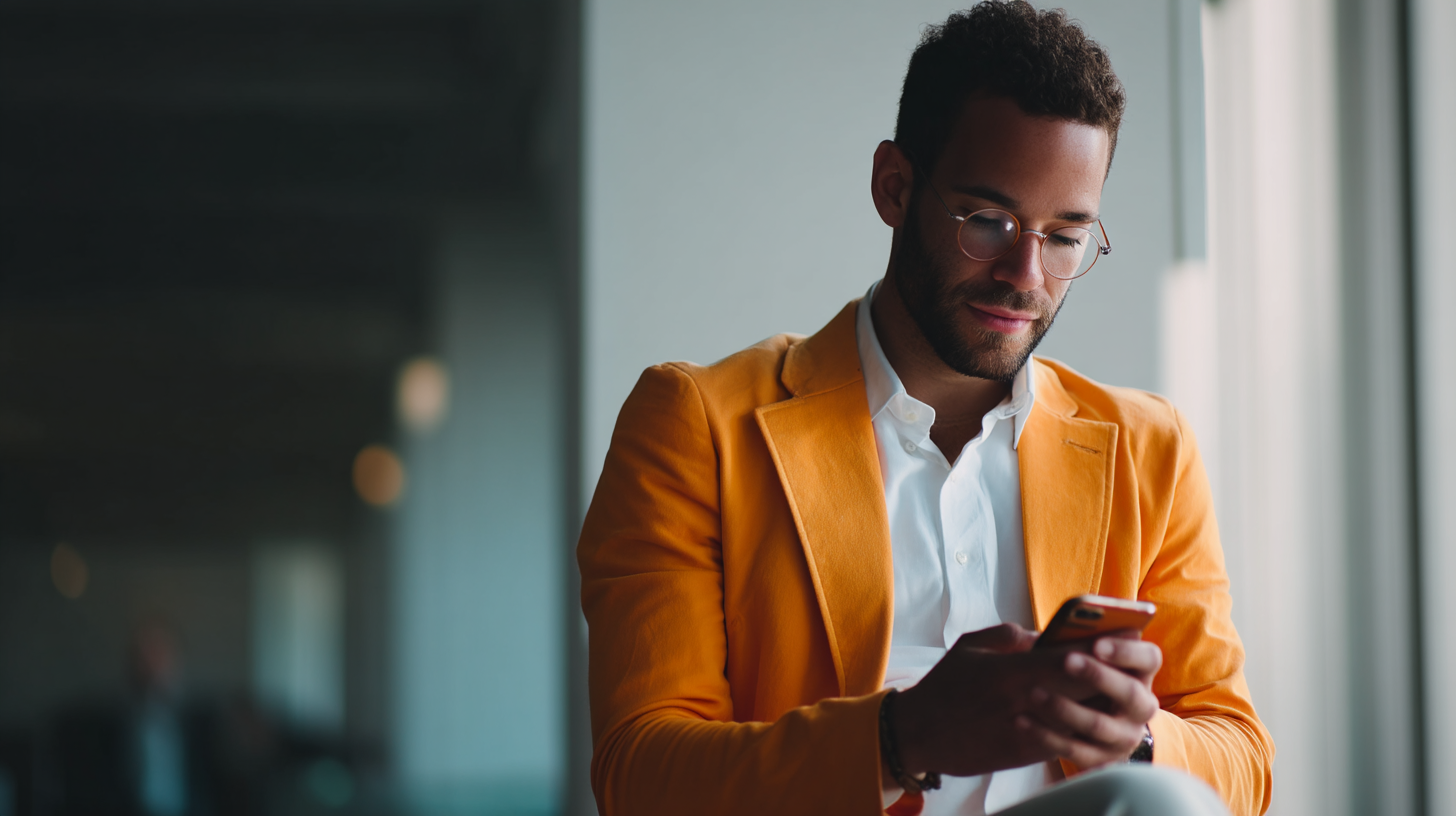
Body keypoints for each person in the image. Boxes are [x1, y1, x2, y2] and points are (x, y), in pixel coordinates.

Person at [576, 3, 1274, 815]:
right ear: (895, 187)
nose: (1026, 274)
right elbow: (641, 776)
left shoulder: (1150, 449)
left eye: (1064, 237)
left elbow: (1242, 759)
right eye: (989, 220)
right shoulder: (697, 424)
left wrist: (1139, 740)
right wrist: (902, 738)